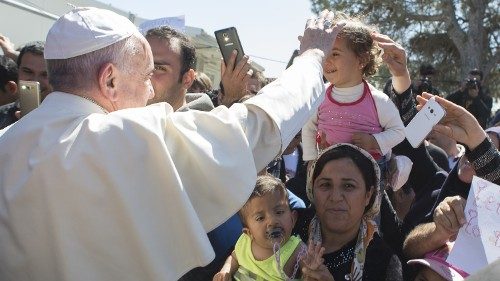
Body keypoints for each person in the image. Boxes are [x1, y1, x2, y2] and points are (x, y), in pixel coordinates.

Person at [0, 7, 344, 281]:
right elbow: (260, 125)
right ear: (109, 79)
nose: (151, 92)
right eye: (145, 76)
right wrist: (312, 57)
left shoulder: (6, 142)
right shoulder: (124, 138)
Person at [302, 13, 404, 166]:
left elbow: (399, 132)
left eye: (335, 53)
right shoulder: (319, 94)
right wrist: (311, 159)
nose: (327, 60)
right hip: (329, 168)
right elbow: (308, 127)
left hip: (368, 172)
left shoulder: (377, 100)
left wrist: (373, 141)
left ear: (362, 60)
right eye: (325, 52)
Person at [295, 143, 403, 280]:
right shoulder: (290, 227)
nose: (335, 197)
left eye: (348, 186)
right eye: (325, 185)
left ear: (368, 195)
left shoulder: (382, 263)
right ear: (312, 189)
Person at [214, 175, 306, 280]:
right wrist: (226, 271)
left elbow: (310, 272)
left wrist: (313, 269)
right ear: (248, 232)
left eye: (279, 212)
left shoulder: (297, 250)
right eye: (260, 218)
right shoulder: (246, 242)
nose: (272, 221)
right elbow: (234, 258)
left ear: (293, 219)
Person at [0, 41, 52, 128]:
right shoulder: (2, 117)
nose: (35, 80)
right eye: (28, 72)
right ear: (18, 71)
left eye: (45, 74)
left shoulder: (69, 120)